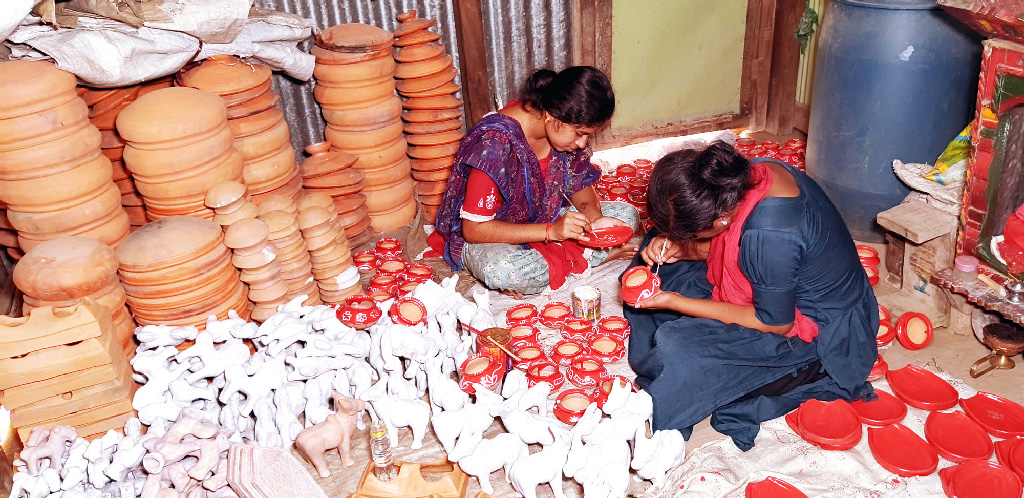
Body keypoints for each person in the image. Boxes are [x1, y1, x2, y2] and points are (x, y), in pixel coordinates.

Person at [623, 141, 877, 450]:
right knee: (656, 249)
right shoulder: (737, 175)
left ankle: (804, 371)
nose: (685, 240)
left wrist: (674, 302)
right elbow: (730, 243)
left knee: (678, 351)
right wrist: (680, 246)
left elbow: (774, 323)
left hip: (818, 331)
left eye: (690, 234)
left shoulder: (770, 234)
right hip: (773, 276)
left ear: (720, 220)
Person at [428, 66, 639, 295]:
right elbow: (474, 230)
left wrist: (594, 219)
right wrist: (551, 232)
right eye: (579, 133)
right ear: (553, 115)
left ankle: (562, 261)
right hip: (493, 233)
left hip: (545, 215)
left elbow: (578, 183)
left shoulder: (562, 133)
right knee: (502, 270)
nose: (581, 143)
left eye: (587, 135)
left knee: (626, 217)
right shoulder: (494, 145)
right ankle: (579, 259)